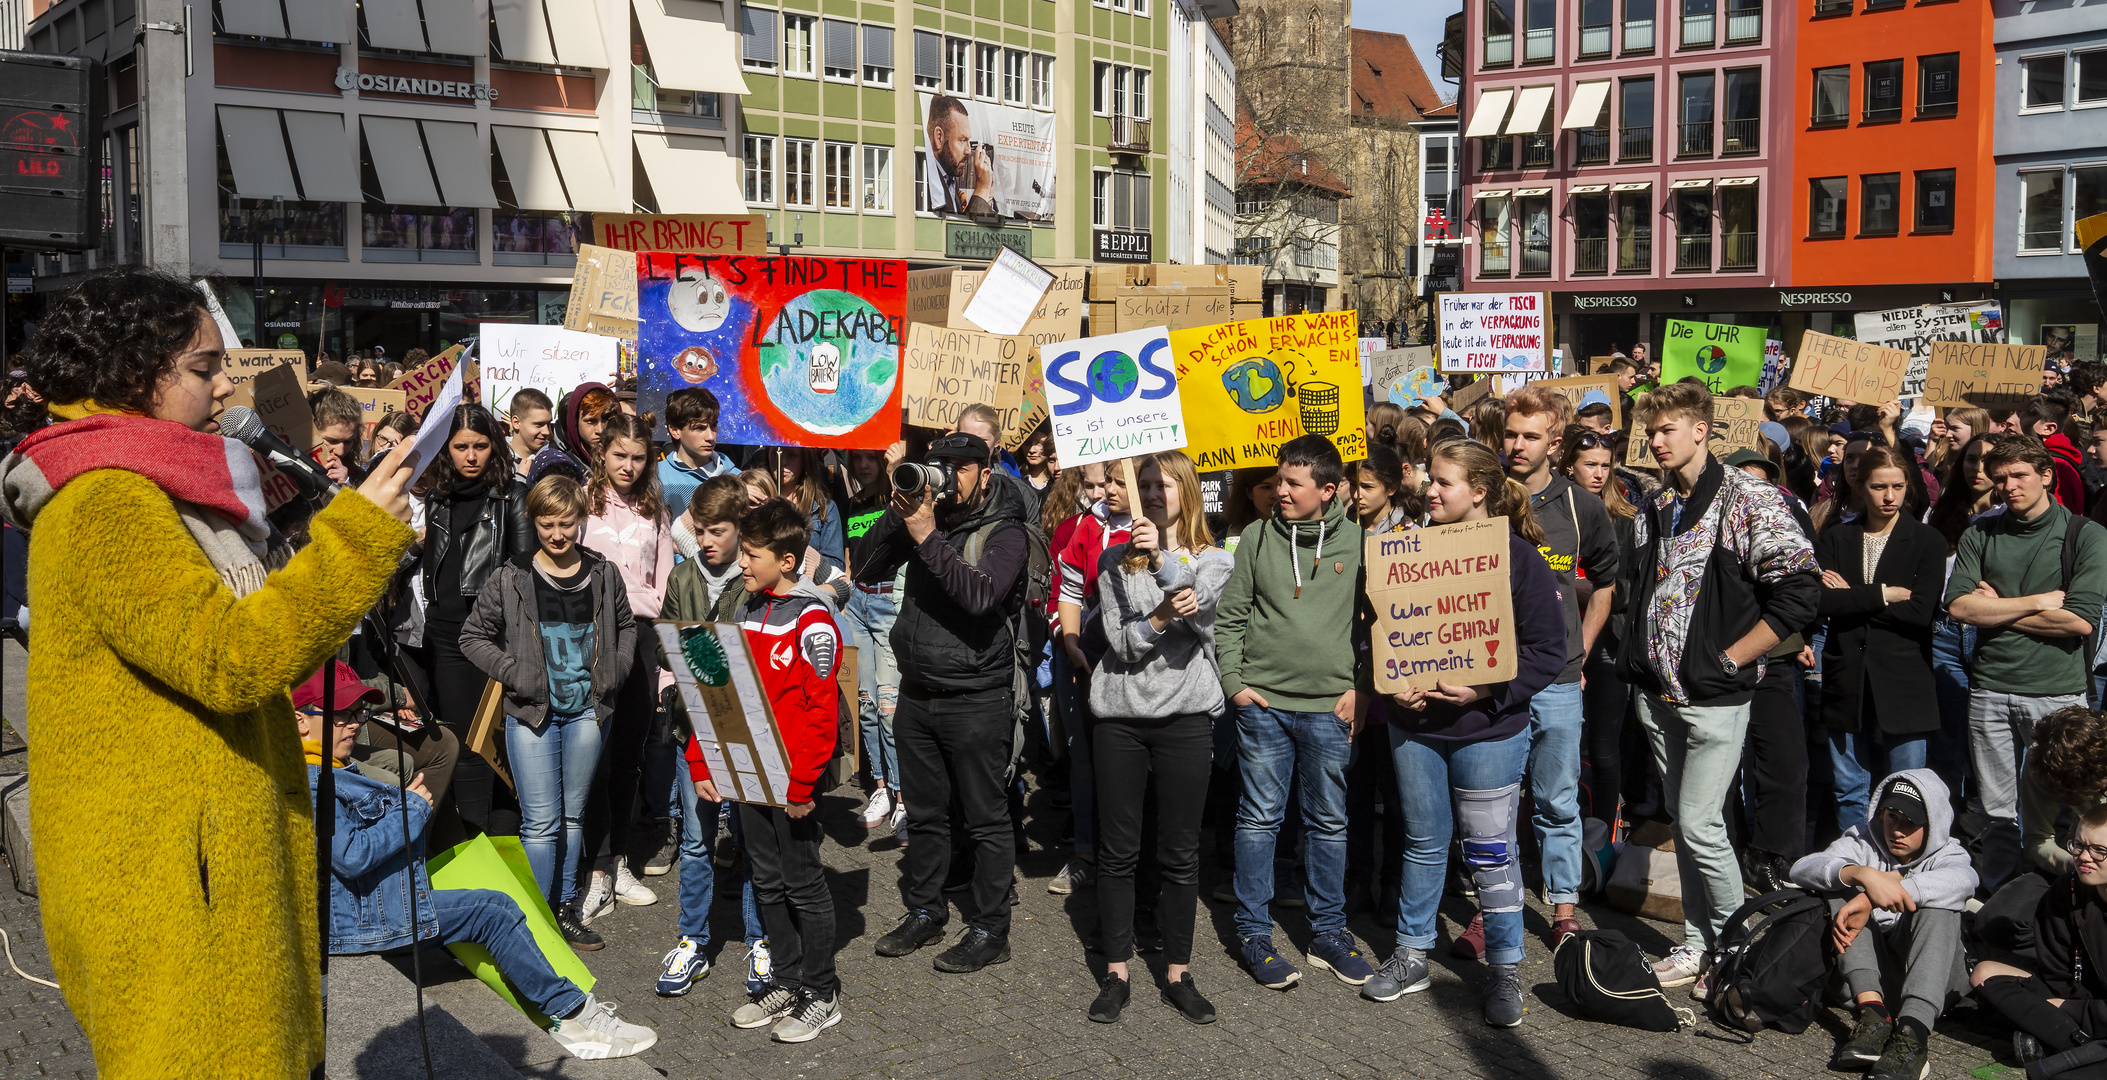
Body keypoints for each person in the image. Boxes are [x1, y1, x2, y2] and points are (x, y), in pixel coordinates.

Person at [0, 265, 416, 1077]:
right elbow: (229, 657)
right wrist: (357, 540)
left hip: (193, 865)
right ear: (130, 375)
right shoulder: (106, 502)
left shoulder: (142, 489)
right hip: (176, 885)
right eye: (201, 367)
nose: (226, 385)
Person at [301, 660, 658, 1059]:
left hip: (370, 908)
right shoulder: (314, 780)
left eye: (359, 713)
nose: (354, 723)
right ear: (300, 721)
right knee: (494, 909)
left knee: (489, 905)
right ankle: (573, 1015)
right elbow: (351, 856)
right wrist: (413, 810)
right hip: (361, 922)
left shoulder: (330, 766)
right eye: (340, 716)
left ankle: (572, 1007)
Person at [1622, 381, 1820, 996]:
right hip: (1659, 695)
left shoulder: (1747, 499)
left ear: (1701, 428)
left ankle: (1736, 953)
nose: (1655, 442)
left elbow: (1801, 591)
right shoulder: (1657, 505)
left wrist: (1732, 659)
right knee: (1686, 824)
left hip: (1716, 696)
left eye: (1666, 430)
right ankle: (1698, 944)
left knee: (1703, 824)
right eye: (1649, 431)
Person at [1362, 437, 1566, 1026]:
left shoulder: (1517, 556)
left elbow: (1548, 647)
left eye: (1443, 482)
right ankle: (1412, 953)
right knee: (1423, 845)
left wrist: (1484, 690)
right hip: (1415, 729)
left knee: (1490, 854)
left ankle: (1504, 971)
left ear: (1479, 492)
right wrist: (1390, 678)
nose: (1429, 490)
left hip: (1488, 731)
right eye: (1429, 480)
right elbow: (1380, 631)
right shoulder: (1403, 550)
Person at [859, 431, 1031, 974]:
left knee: (984, 818)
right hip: (918, 690)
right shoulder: (924, 519)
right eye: (940, 465)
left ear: (985, 471)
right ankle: (926, 912)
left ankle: (990, 927)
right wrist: (897, 516)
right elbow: (864, 570)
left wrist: (928, 535)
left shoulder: (1008, 531)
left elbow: (979, 596)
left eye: (960, 467)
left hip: (976, 696)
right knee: (927, 814)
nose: (948, 476)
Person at [1215, 434, 1377, 991]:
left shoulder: (1361, 544)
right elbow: (1231, 616)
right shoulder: (1256, 538)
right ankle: (1254, 935)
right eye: (1278, 481)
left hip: (1330, 709)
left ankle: (1328, 934)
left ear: (1328, 491)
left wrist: (1363, 688)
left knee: (1328, 823)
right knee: (1259, 819)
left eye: (1292, 483)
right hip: (1263, 706)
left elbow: (1383, 627)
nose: (1279, 491)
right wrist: (1235, 684)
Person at [1084, 451, 1234, 1025]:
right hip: (1120, 719)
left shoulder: (1216, 559)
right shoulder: (1112, 561)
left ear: (1185, 492)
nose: (1149, 494)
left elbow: (1210, 622)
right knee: (1118, 852)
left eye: (1161, 484)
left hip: (1186, 718)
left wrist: (1168, 561)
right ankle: (1117, 971)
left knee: (1179, 851)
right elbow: (1122, 646)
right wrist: (1163, 615)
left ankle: (1178, 971)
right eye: (1141, 484)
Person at [458, 474, 637, 948]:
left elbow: (626, 625)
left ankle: (564, 908)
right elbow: (471, 636)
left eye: (566, 524)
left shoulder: (603, 573)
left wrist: (614, 671)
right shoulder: (511, 576)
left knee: (574, 817)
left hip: (586, 713)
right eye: (546, 525)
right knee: (540, 823)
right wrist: (516, 674)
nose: (557, 535)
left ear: (581, 521)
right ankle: (536, 917)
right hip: (532, 714)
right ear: (532, 522)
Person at [692, 498, 847, 1043]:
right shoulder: (746, 610)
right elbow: (718, 694)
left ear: (786, 561)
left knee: (804, 882)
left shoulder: (813, 620)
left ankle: (821, 991)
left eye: (751, 555)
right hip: (746, 773)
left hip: (791, 782)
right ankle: (785, 979)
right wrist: (700, 759)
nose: (740, 563)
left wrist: (802, 784)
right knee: (767, 879)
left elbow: (820, 713)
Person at [1946, 434, 2107, 894]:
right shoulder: (1981, 531)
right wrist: (2034, 603)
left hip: (2057, 692)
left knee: (2070, 804)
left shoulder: (2085, 535)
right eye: (2000, 478)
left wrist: (1998, 610)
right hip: (1990, 689)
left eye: (2019, 476)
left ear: (2047, 476)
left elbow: (2078, 621)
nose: (2008, 486)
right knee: (1996, 811)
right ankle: (1999, 900)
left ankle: (2071, 896)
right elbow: (1958, 608)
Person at [1500, 386, 1619, 947]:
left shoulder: (1581, 506)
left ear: (1554, 442)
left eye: (1530, 436)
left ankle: (1563, 905)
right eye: (1510, 434)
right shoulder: (1486, 497)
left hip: (1558, 679)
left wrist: (1583, 648)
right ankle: (1493, 902)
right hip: (1495, 676)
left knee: (1556, 797)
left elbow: (1604, 583)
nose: (1517, 445)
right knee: (1495, 800)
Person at [654, 474, 773, 997]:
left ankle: (760, 939)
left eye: (717, 531)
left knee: (749, 840)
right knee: (699, 840)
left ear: (740, 530)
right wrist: (697, 655)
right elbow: (665, 642)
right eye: (700, 530)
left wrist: (706, 653)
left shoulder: (753, 581)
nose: (706, 540)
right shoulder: (684, 577)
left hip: (744, 729)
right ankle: (692, 941)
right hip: (690, 724)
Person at [1790, 772, 1973, 1080]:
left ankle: (1913, 1036)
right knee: (1839, 883)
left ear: (1934, 824)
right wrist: (1859, 874)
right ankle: (1873, 1015)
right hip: (1867, 980)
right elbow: (1802, 868)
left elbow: (1964, 881)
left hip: (1931, 983)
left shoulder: (1950, 854)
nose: (1896, 831)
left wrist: (1874, 897)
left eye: (1909, 822)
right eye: (1891, 817)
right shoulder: (1862, 838)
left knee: (1940, 902)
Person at [1816, 445, 1948, 833]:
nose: (1889, 497)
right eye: (1878, 487)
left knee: (1909, 788)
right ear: (1860, 487)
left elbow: (1920, 612)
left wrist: (1852, 596)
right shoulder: (1837, 538)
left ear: (1909, 486)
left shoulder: (1927, 541)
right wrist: (1882, 594)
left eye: (1898, 486)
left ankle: (1904, 868)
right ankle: (1856, 858)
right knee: (1847, 786)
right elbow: (1823, 600)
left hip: (1904, 679)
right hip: (1847, 677)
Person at [576, 412, 674, 918]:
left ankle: (618, 863)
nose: (629, 466)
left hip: (640, 639)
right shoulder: (583, 502)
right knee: (594, 753)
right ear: (602, 452)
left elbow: (665, 585)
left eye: (638, 458)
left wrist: (667, 664)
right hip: (591, 637)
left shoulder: (655, 508)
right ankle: (592, 870)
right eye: (620, 455)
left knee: (629, 756)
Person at [421, 402, 533, 835]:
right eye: (461, 446)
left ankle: (501, 841)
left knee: (496, 745)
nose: (471, 456)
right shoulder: (437, 498)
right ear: (446, 449)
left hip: (492, 638)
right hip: (444, 635)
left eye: (481, 445)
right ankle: (471, 841)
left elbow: (522, 575)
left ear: (495, 446)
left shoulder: (514, 497)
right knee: (460, 743)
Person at [1049, 454, 1133, 895]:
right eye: (1104, 482)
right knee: (1085, 758)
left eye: (1118, 482)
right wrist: (1072, 641)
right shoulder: (1088, 526)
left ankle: (1128, 860)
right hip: (1090, 659)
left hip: (1143, 671)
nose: (1107, 492)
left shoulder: (1160, 528)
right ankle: (1085, 853)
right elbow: (1066, 584)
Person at [1975, 802, 2107, 1071]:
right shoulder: (2067, 890)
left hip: (2094, 1010)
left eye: (2099, 851)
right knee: (1985, 973)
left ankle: (2057, 1039)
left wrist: (2073, 1010)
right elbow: (2056, 972)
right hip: (2080, 1002)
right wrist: (2070, 1005)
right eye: (2078, 845)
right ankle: (2081, 1046)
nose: (2083, 857)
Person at [1563, 426, 1644, 836]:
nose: (1598, 473)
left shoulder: (1626, 518)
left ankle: (1604, 834)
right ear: (1569, 466)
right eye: (1589, 465)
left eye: (1605, 466)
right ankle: (1563, 832)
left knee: (1604, 747)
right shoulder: (1550, 513)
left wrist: (1593, 589)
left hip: (1608, 643)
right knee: (1562, 749)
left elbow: (1638, 585)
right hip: (1557, 641)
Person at [838, 447, 905, 831]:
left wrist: (897, 469)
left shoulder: (895, 497)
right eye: (856, 458)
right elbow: (851, 558)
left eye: (871, 458)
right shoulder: (854, 504)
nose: (863, 465)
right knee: (864, 703)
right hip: (859, 602)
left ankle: (903, 797)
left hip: (887, 602)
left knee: (888, 706)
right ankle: (880, 787)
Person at [659, 386, 731, 521]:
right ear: (675, 430)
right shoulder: (657, 479)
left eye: (713, 425)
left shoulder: (736, 477)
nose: (710, 436)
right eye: (699, 428)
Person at [528, 382, 614, 486]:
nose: (600, 430)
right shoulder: (555, 466)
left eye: (606, 420)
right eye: (590, 421)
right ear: (574, 423)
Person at [776, 445, 845, 572]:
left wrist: (799, 560)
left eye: (792, 455)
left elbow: (836, 564)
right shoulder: (757, 502)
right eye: (776, 453)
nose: (782, 461)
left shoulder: (824, 507)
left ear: (804, 460)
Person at [924, 94, 997, 214]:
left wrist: (987, 195)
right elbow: (962, 231)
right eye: (962, 140)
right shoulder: (925, 179)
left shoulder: (950, 179)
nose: (968, 151)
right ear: (939, 137)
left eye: (969, 141)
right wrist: (982, 188)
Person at [309, 386, 363, 485]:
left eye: (348, 442)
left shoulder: (358, 478)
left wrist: (345, 485)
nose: (340, 452)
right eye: (332, 441)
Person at [507, 388, 555, 479]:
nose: (547, 432)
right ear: (516, 423)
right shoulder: (495, 459)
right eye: (538, 425)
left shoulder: (555, 457)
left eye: (548, 424)